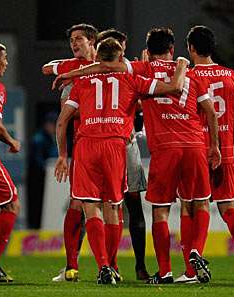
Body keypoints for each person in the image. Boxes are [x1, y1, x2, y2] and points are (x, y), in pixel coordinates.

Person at [54, 28, 221, 284]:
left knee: (97, 207)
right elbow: (188, 96)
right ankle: (185, 257)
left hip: (93, 145)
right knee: (191, 204)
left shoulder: (133, 70)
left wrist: (63, 154)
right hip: (152, 145)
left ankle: (115, 267)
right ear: (173, 49)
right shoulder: (145, 76)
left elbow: (63, 118)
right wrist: (182, 66)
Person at [187, 25, 234, 282]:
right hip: (224, 149)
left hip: (198, 148)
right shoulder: (230, 75)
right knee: (228, 207)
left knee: (198, 205)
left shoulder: (190, 76)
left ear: (191, 48)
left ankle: (195, 257)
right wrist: (231, 143)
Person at [43, 23, 98, 282]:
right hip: (86, 146)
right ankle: (72, 266)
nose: (74, 44)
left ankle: (114, 267)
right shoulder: (73, 72)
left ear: (93, 42)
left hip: (114, 144)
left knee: (114, 206)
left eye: (79, 39)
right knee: (83, 204)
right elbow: (46, 67)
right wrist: (68, 69)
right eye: (72, 40)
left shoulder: (112, 64)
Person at [95, 28, 149, 281]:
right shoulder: (134, 70)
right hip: (124, 144)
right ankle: (120, 266)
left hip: (110, 143)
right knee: (122, 206)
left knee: (112, 206)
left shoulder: (95, 72)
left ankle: (119, 266)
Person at [27, 112, 58, 229]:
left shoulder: (55, 137)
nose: (54, 128)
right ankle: (36, 227)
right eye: (52, 125)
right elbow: (38, 161)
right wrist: (48, 169)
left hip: (52, 179)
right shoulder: (38, 139)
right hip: (39, 179)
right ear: (47, 125)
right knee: (38, 204)